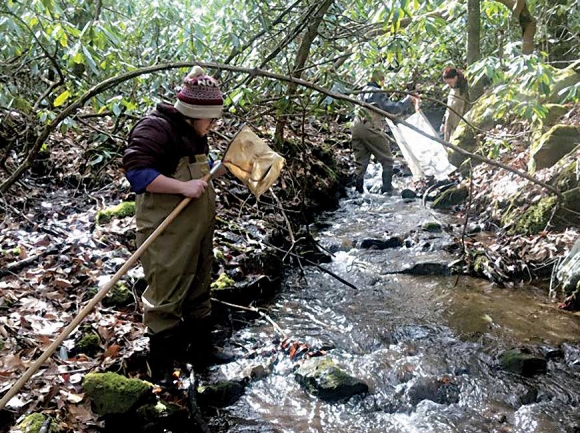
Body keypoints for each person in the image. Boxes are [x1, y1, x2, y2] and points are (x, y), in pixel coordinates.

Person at [123, 65, 229, 381]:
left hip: (197, 230)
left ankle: (202, 354)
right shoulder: (155, 129)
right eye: (210, 119)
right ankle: (162, 374)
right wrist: (183, 187)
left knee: (199, 286)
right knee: (165, 295)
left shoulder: (195, 134)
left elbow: (202, 169)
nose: (212, 125)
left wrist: (221, 169)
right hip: (166, 230)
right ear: (194, 113)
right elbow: (137, 173)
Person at [352, 70, 419, 194]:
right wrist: (408, 99)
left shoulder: (362, 91)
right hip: (370, 127)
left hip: (356, 126)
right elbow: (393, 109)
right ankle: (387, 190)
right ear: (379, 80)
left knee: (360, 163)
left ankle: (357, 193)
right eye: (383, 80)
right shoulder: (377, 92)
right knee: (387, 160)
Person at [440, 67, 470, 142]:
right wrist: (443, 123)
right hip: (449, 121)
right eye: (447, 83)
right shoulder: (452, 89)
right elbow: (448, 108)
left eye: (450, 82)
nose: (449, 85)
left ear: (455, 78)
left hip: (460, 121)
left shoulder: (466, 90)